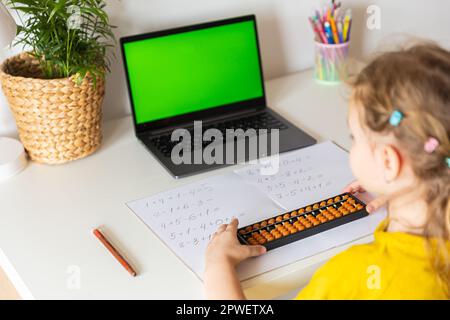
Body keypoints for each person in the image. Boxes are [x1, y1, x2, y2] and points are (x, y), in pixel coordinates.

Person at [204, 43, 450, 299]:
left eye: (354, 137)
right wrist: (404, 187)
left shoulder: (351, 275)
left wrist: (217, 264)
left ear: (388, 163)